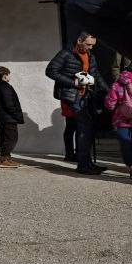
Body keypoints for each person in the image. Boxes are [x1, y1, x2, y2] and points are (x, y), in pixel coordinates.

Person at [46, 31, 107, 174]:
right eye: (88, 44)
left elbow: (96, 75)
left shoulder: (91, 56)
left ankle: (87, 163)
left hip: (87, 97)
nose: (90, 48)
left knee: (87, 129)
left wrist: (108, 91)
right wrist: (73, 83)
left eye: (92, 45)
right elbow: (50, 71)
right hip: (72, 96)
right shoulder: (66, 54)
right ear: (79, 41)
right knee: (83, 129)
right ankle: (83, 165)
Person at [0, 66, 24, 168]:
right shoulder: (5, 87)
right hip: (9, 118)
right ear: (4, 76)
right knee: (11, 139)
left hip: (4, 118)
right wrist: (17, 116)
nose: (9, 77)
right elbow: (9, 105)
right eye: (8, 75)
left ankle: (6, 158)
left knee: (6, 138)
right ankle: (4, 160)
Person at [103, 69, 132, 178]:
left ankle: (131, 167)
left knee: (125, 145)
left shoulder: (116, 85)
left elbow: (110, 104)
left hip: (121, 121)